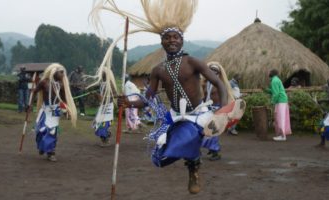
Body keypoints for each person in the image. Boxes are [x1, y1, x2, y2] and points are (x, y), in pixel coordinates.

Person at [91, 0, 228, 194]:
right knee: (161, 156)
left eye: (175, 37)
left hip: (197, 114)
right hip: (174, 117)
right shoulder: (158, 70)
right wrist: (128, 102)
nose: (172, 40)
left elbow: (219, 84)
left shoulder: (193, 62)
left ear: (182, 40)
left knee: (185, 139)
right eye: (167, 37)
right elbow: (148, 99)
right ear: (161, 42)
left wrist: (222, 110)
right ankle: (193, 162)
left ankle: (194, 168)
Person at [33, 63, 77, 161]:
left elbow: (64, 99)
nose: (63, 75)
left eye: (63, 73)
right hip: (45, 110)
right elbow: (34, 92)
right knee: (41, 130)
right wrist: (29, 104)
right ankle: (42, 146)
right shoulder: (44, 82)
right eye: (61, 72)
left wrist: (66, 110)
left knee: (52, 132)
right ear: (54, 72)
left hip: (55, 111)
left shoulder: (61, 85)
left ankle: (51, 152)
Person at [201, 62, 234, 161]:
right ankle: (212, 149)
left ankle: (215, 152)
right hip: (207, 108)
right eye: (211, 70)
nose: (213, 72)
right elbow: (202, 97)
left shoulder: (220, 83)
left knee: (213, 130)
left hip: (217, 108)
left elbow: (224, 98)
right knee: (204, 129)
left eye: (215, 70)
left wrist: (222, 111)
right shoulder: (205, 83)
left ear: (219, 72)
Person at [265, 69, 292, 141]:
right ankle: (281, 135)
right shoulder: (275, 80)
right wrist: (265, 90)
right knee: (280, 117)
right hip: (281, 100)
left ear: (271, 73)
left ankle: (282, 136)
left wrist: (272, 102)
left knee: (281, 118)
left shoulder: (274, 81)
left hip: (280, 101)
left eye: (269, 72)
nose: (268, 73)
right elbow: (273, 91)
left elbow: (276, 94)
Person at [93, 68, 117, 147]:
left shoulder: (110, 83)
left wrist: (104, 97)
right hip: (102, 107)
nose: (100, 73)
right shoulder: (101, 83)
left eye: (102, 72)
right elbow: (100, 97)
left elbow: (115, 95)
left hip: (108, 107)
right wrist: (96, 95)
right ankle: (106, 136)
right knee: (98, 124)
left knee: (103, 125)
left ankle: (106, 140)